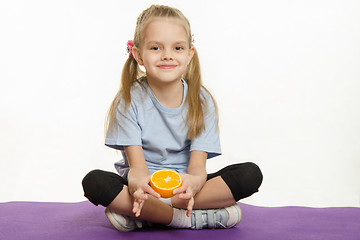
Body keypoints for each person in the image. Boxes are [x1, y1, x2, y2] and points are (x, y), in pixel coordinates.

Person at [82, 4, 263, 231]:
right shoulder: (128, 100)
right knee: (95, 182)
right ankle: (187, 218)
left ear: (189, 54)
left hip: (185, 188)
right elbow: (137, 169)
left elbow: (197, 169)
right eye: (156, 48)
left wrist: (194, 184)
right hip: (146, 186)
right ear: (138, 55)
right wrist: (139, 188)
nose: (167, 55)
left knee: (249, 174)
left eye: (177, 48)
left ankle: (145, 215)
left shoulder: (202, 101)